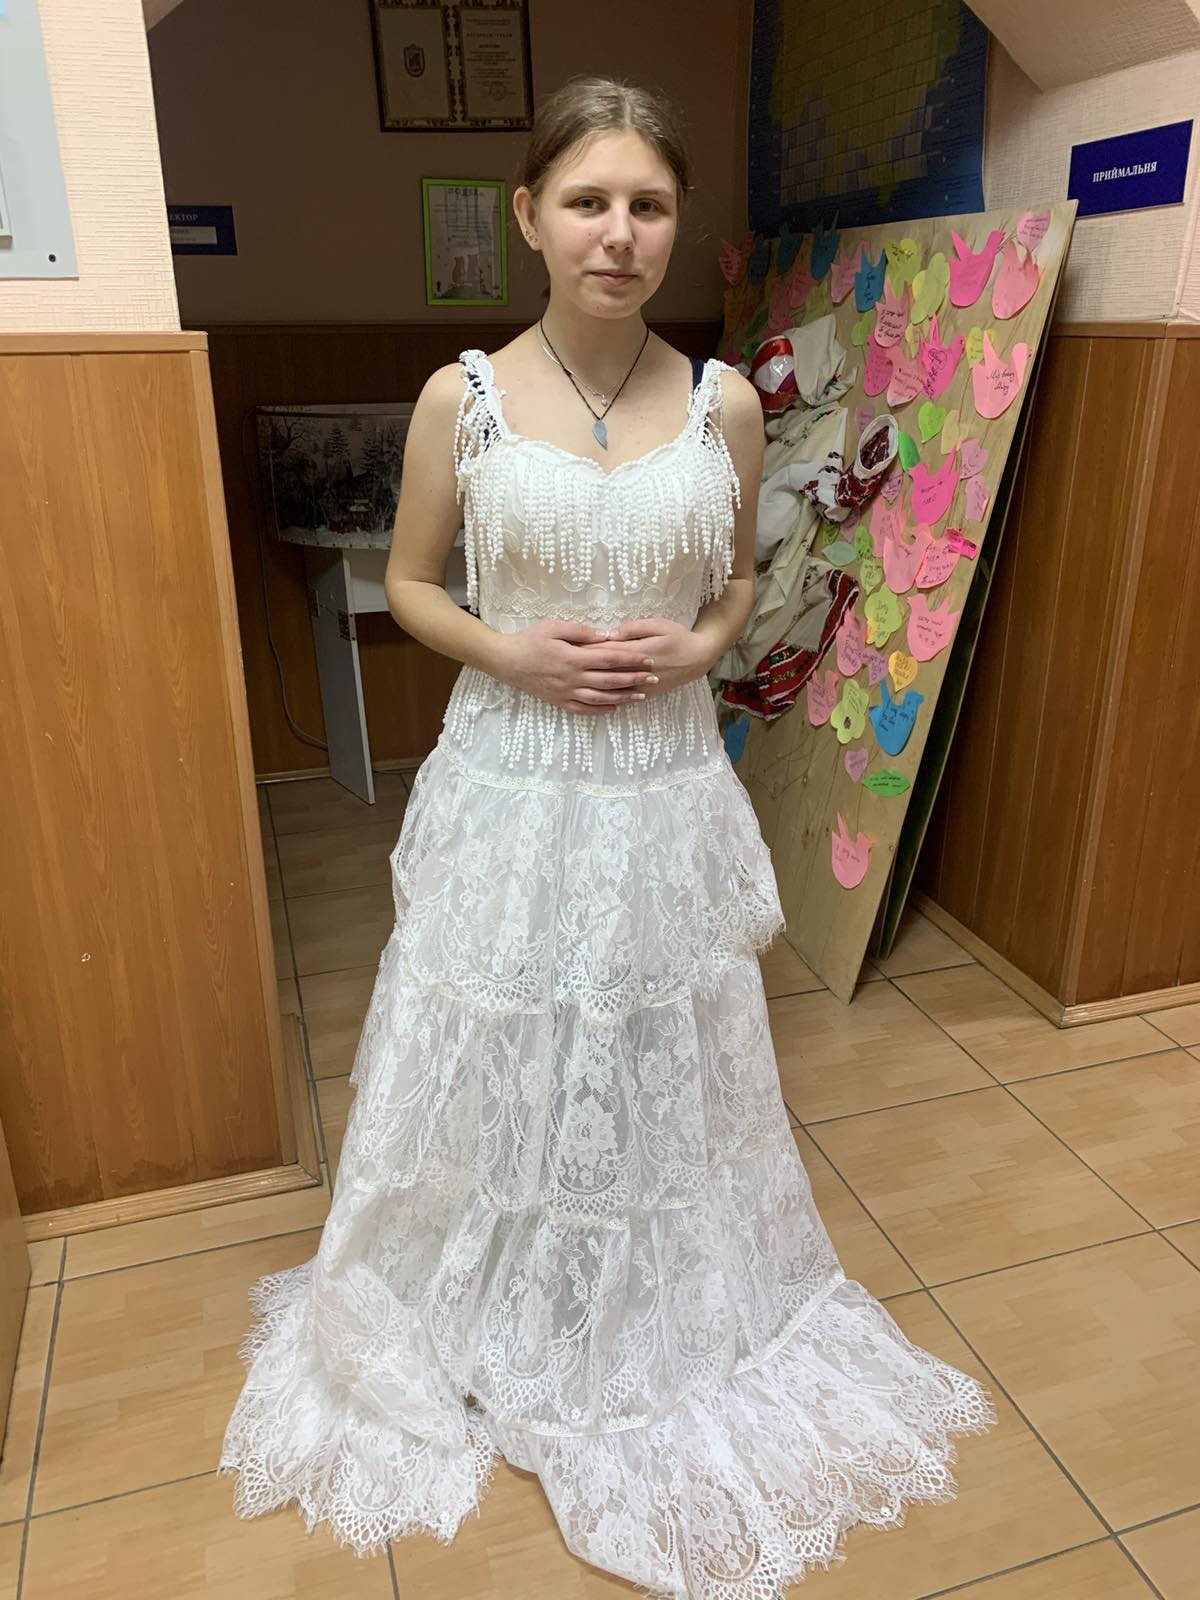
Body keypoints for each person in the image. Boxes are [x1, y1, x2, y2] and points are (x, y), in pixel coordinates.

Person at [220, 74, 995, 1598]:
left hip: (658, 779)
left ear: (676, 222)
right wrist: (510, 653)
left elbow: (734, 588)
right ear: (529, 216)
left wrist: (700, 648)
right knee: (499, 1033)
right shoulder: (461, 398)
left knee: (651, 1039)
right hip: (510, 778)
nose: (618, 234)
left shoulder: (727, 405)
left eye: (648, 205)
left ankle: (636, 1290)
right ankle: (486, 1285)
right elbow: (416, 583)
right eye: (587, 202)